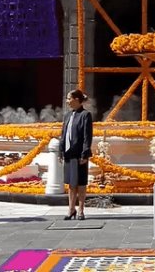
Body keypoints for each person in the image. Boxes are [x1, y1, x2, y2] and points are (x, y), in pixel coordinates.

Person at [59, 89, 93, 220]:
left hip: (79, 155)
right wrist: (61, 151)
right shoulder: (68, 116)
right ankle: (71, 209)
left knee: (80, 183)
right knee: (71, 184)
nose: (67, 101)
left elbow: (87, 136)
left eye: (69, 98)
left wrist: (85, 154)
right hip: (69, 154)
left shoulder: (85, 115)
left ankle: (81, 210)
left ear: (77, 99)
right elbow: (63, 134)